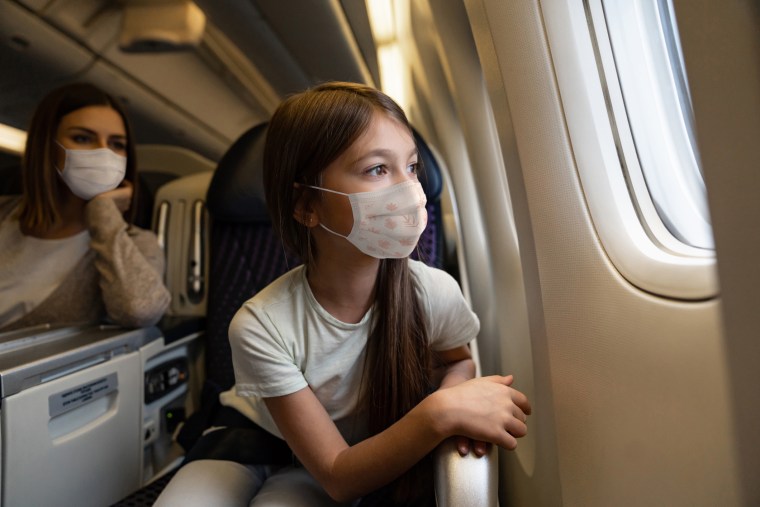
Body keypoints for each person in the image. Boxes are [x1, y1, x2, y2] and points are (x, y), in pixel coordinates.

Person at [155, 82, 530, 506]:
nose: (410, 192)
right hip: (253, 438)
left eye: (411, 167)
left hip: (345, 457)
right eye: (376, 169)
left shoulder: (433, 292)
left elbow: (458, 359)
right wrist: (440, 414)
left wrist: (451, 395)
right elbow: (337, 474)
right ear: (307, 206)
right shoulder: (261, 323)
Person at [0, 82, 170, 332]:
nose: (103, 153)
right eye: (83, 138)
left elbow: (139, 311)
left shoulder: (136, 244)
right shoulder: (4, 213)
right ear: (47, 147)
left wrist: (103, 213)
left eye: (116, 144)